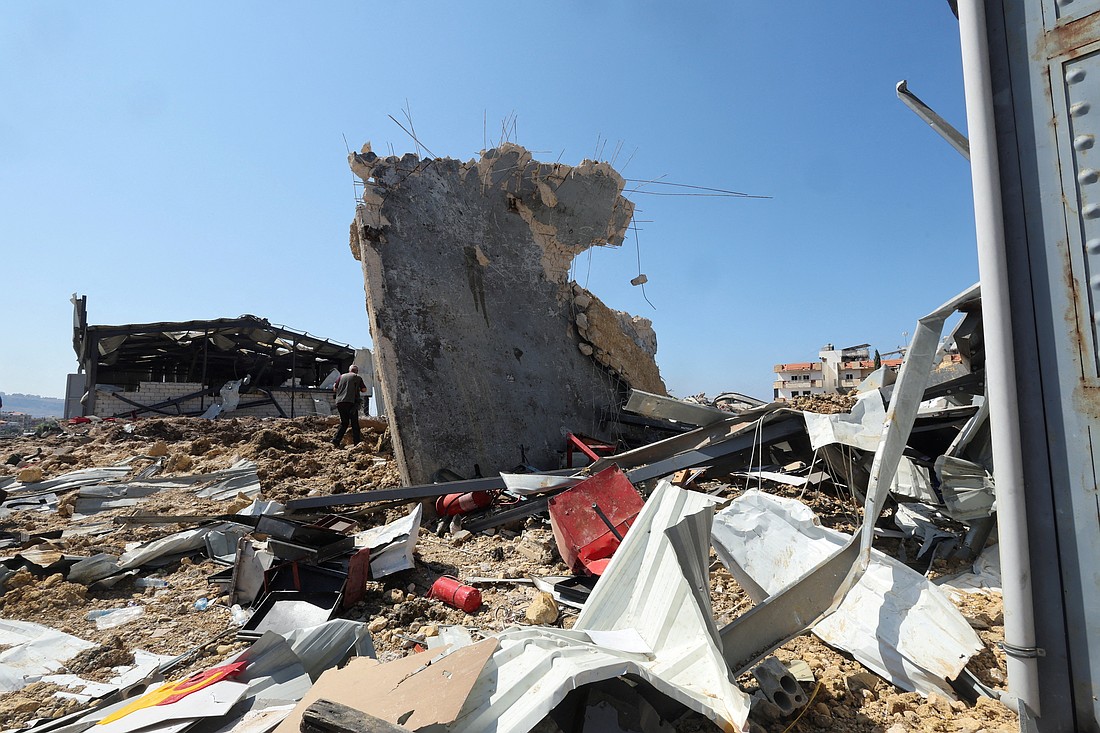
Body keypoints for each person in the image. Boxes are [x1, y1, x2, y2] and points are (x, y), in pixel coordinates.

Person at [331, 365, 367, 447]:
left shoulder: (341, 376)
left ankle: (335, 441)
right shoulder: (357, 377)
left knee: (344, 423)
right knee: (354, 423)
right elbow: (364, 389)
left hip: (340, 402)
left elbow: (335, 388)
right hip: (351, 403)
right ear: (356, 371)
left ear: (349, 370)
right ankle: (357, 443)